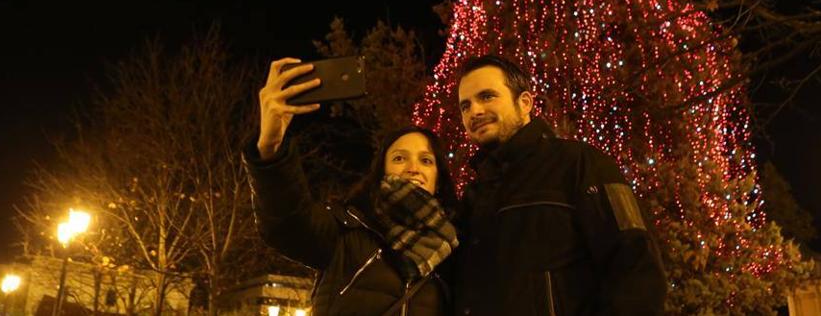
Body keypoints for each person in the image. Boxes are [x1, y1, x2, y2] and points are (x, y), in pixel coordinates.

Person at [452, 55, 666, 315]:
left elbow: (636, 267)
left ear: (525, 103)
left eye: (487, 96)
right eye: (465, 105)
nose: (474, 111)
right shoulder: (475, 195)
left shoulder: (580, 164)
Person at [243, 58, 459, 316]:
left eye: (426, 160)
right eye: (399, 158)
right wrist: (270, 146)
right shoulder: (346, 230)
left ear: (438, 179)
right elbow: (286, 224)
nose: (413, 167)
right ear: (381, 172)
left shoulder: (452, 251)